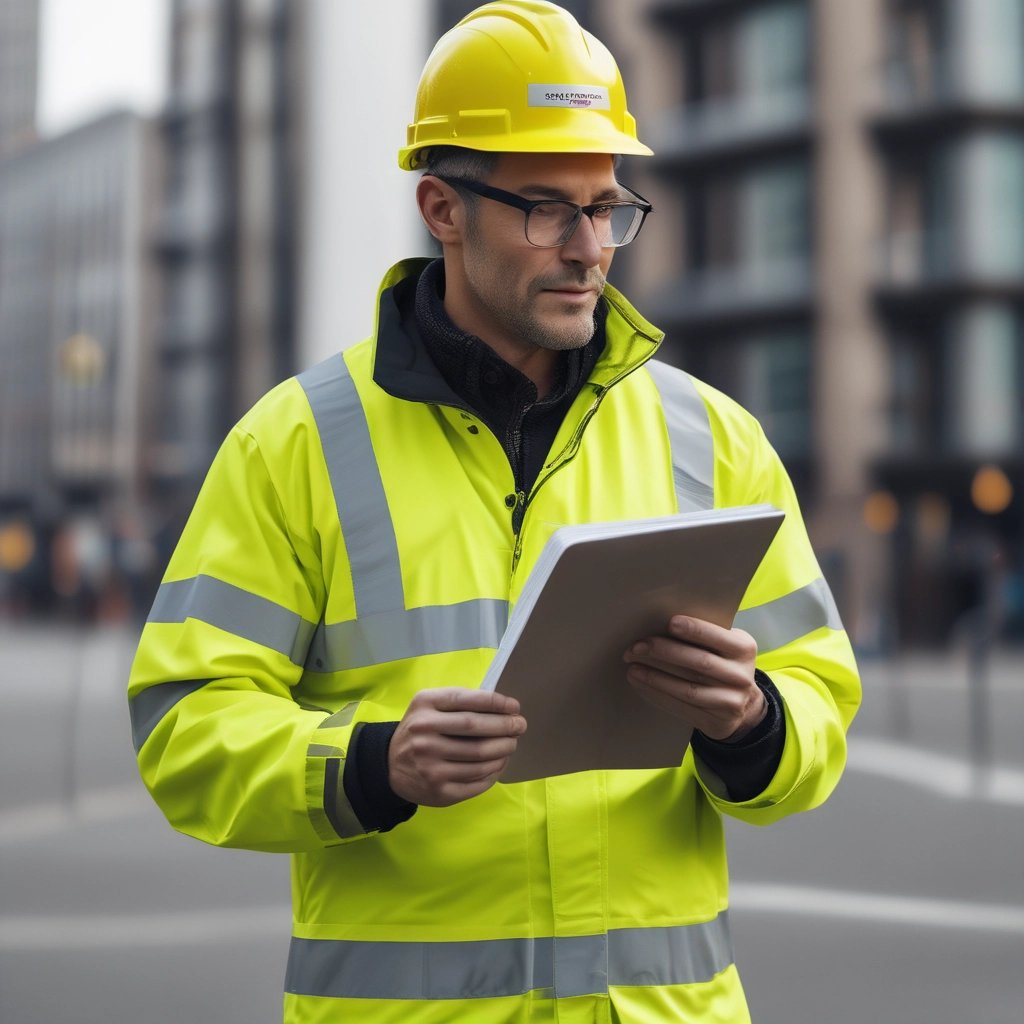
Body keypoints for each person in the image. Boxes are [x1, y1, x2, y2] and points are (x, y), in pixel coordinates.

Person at [128, 3, 861, 1021]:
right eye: (545, 208)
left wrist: (749, 719)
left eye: (605, 206)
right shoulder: (294, 444)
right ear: (441, 207)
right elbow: (183, 726)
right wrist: (375, 762)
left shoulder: (712, 439)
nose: (589, 247)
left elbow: (820, 694)